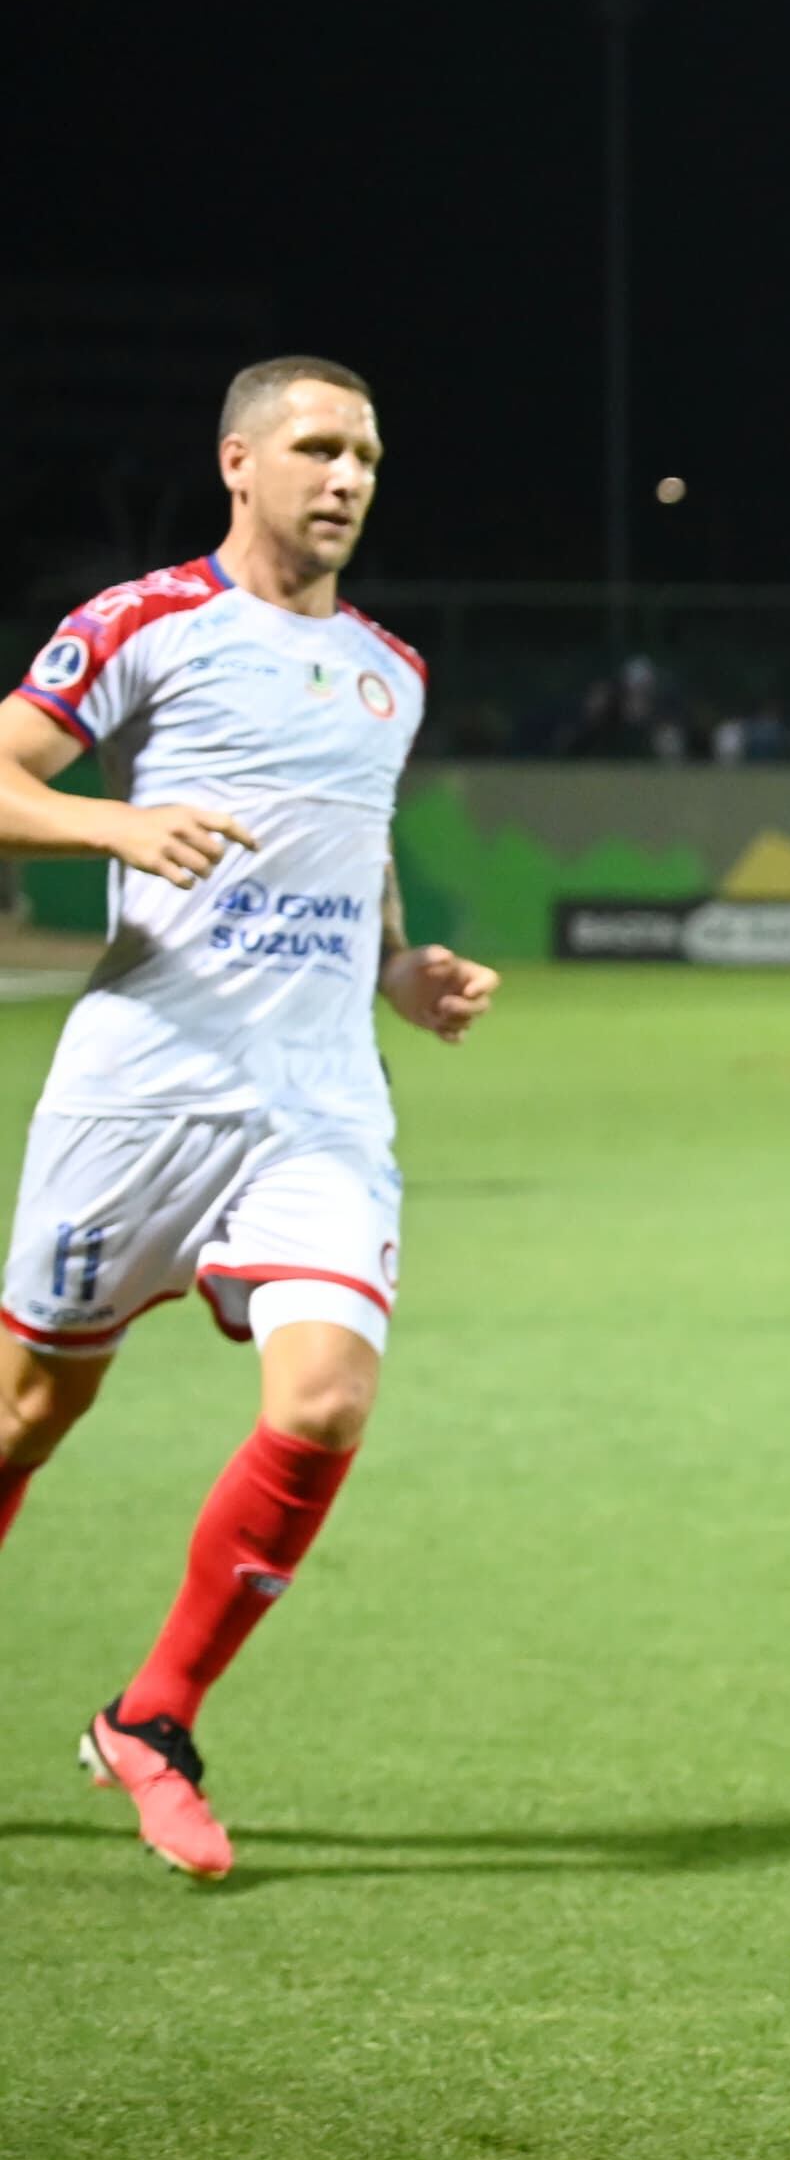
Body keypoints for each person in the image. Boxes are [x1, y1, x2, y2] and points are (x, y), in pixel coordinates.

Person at [0, 358, 499, 1880]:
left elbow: (361, 858)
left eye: (366, 452)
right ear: (238, 461)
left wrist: (405, 967)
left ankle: (154, 1717)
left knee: (325, 1399)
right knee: (29, 1409)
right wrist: (114, 821)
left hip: (317, 1104)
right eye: (317, 446)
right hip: (140, 1089)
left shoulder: (391, 668)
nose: (346, 475)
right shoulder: (145, 623)